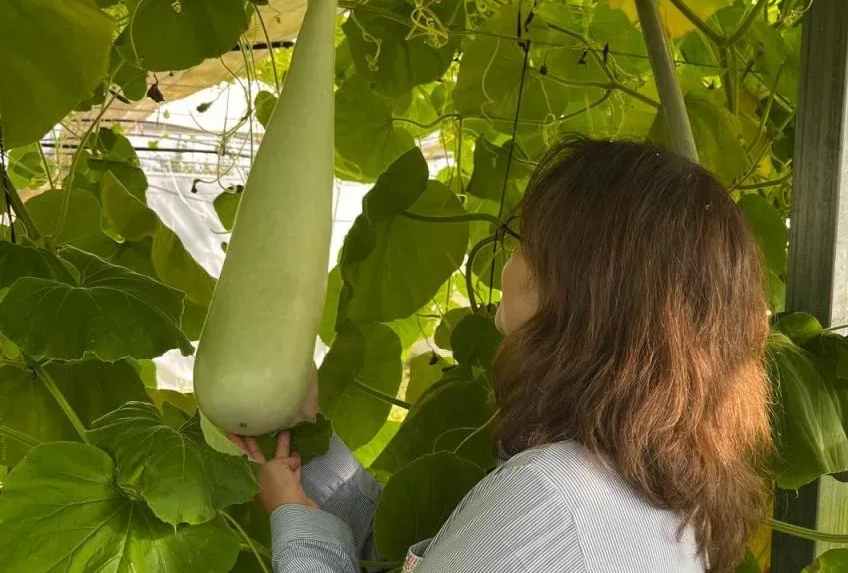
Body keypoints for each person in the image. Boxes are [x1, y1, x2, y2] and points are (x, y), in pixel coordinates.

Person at [230, 137, 773, 573]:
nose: (512, 261)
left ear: (565, 285)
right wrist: (307, 436)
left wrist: (294, 520)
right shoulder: (647, 494)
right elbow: (418, 557)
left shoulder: (554, 501)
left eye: (525, 240)